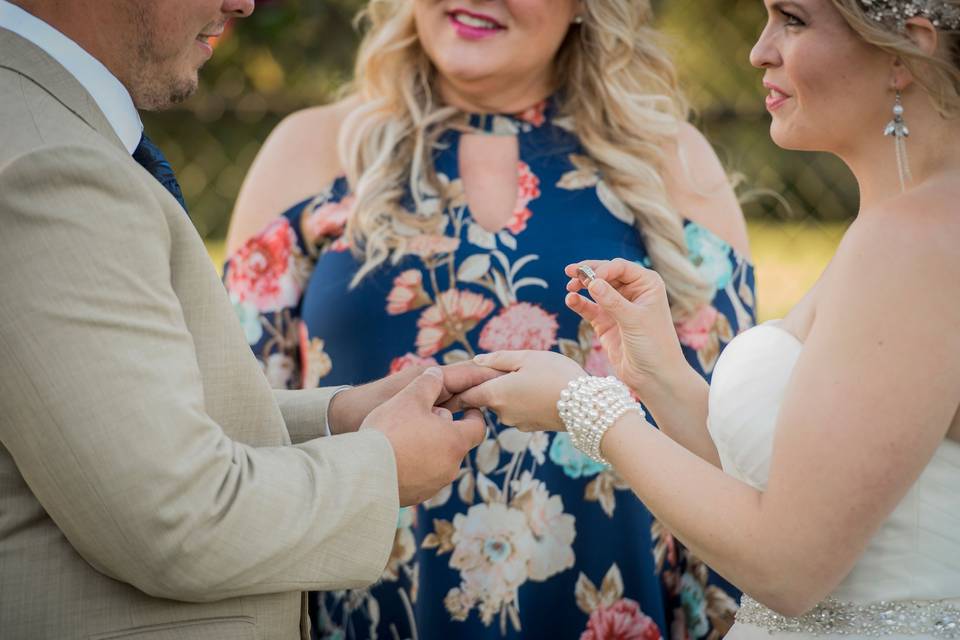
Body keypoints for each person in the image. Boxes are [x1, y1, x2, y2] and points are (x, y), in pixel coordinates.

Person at [224, 0, 755, 638]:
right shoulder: (313, 150)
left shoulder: (665, 157)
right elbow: (242, 415)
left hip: (610, 605)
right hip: (375, 608)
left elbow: (726, 441)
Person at [453, 0, 960, 637]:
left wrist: (584, 408)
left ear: (902, 51)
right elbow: (801, 489)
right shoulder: (906, 224)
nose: (759, 51)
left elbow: (789, 567)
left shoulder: (915, 242)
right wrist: (657, 371)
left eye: (793, 20)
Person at [0, 1, 495, 637]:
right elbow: (174, 520)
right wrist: (383, 467)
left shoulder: (41, 121)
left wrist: (338, 417)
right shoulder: (47, 165)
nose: (244, 2)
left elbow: (126, 423)